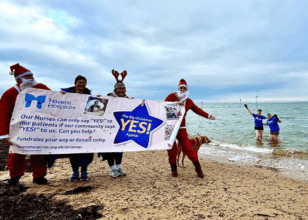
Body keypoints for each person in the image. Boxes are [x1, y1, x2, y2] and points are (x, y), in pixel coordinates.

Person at [0, 63, 50, 186]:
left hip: (37, 127)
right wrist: (4, 134)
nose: (31, 78)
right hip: (18, 129)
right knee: (16, 153)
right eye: (27, 76)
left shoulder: (40, 87)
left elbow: (55, 99)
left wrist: (63, 96)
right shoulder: (10, 93)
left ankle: (39, 176)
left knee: (38, 152)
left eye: (32, 76)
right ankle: (15, 176)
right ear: (19, 79)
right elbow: (3, 113)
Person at [165, 79, 215, 178]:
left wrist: (208, 115)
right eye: (181, 88)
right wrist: (175, 104)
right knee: (171, 148)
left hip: (181, 127)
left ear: (187, 89)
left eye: (184, 88)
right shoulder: (172, 96)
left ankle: (198, 168)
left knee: (188, 148)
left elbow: (197, 110)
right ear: (178, 89)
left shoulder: (189, 101)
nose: (182, 89)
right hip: (169, 126)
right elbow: (162, 106)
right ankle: (173, 168)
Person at [61, 75, 93, 181]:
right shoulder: (68, 94)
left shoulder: (89, 95)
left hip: (85, 126)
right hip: (71, 127)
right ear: (75, 83)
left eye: (84, 83)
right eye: (80, 82)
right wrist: (60, 96)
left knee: (86, 151)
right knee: (73, 151)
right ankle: (75, 172)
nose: (81, 84)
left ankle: (84, 171)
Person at [101, 69, 130, 178]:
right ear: (115, 89)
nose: (121, 90)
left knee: (120, 149)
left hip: (122, 127)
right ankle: (112, 169)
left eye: (123, 88)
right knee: (110, 149)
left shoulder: (127, 99)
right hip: (110, 127)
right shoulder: (109, 97)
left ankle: (118, 167)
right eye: (119, 88)